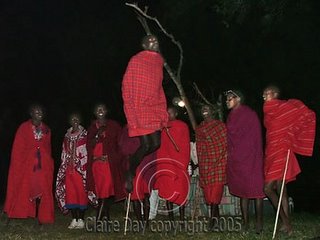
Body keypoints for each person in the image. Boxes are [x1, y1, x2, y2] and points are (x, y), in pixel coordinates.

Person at [262, 85, 316, 235]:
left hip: (282, 150)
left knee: (267, 188)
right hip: (271, 152)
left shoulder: (285, 107)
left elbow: (307, 114)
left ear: (275, 94)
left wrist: (291, 134)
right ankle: (286, 225)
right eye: (263, 93)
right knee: (281, 189)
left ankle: (287, 223)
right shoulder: (267, 113)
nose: (264, 95)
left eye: (267, 93)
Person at [122, 34, 168, 193]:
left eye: (156, 40)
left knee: (155, 144)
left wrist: (163, 113)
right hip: (139, 108)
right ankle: (130, 172)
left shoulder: (158, 63)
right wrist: (131, 115)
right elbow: (126, 87)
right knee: (147, 144)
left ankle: (130, 168)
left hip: (153, 109)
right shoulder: (136, 60)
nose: (153, 42)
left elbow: (159, 89)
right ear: (143, 45)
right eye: (149, 40)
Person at [4, 104, 54, 224]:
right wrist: (19, 165)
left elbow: (48, 148)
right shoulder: (24, 128)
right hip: (27, 165)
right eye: (36, 112)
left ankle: (43, 217)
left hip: (42, 166)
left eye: (41, 112)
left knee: (43, 188)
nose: (39, 114)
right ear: (31, 114)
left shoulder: (46, 129)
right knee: (23, 187)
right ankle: (14, 213)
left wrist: (48, 161)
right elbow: (18, 148)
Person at [225, 89, 265, 233]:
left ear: (238, 99)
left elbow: (256, 138)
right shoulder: (230, 117)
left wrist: (256, 156)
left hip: (252, 159)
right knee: (243, 192)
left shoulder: (250, 114)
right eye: (227, 99)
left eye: (230, 98)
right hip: (237, 160)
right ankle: (246, 223)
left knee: (257, 191)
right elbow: (230, 139)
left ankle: (259, 224)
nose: (227, 101)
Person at [86, 104, 126, 221]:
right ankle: (106, 219)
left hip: (108, 165)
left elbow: (120, 144)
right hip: (96, 165)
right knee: (101, 193)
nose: (100, 111)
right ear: (94, 112)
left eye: (102, 108)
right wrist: (98, 134)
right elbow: (89, 146)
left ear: (106, 110)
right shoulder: (93, 127)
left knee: (105, 192)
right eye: (97, 109)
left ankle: (98, 223)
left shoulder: (114, 126)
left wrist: (113, 158)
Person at [155, 106, 190, 221]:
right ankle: (171, 219)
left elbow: (185, 146)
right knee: (167, 191)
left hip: (178, 164)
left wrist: (184, 162)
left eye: (170, 113)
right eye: (166, 113)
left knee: (181, 191)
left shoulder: (182, 126)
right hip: (166, 164)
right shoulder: (162, 128)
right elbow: (160, 146)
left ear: (176, 113)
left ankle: (182, 219)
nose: (168, 115)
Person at [195, 105, 227, 227]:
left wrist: (220, 158)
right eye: (203, 109)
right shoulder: (200, 128)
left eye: (207, 108)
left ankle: (212, 222)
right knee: (209, 194)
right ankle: (217, 219)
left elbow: (225, 144)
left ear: (212, 111)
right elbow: (199, 147)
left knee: (216, 192)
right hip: (205, 164)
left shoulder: (220, 126)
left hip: (219, 162)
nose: (204, 110)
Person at [55, 113, 88, 229]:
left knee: (81, 194)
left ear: (80, 120)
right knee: (71, 194)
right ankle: (74, 219)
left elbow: (86, 151)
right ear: (70, 121)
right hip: (69, 170)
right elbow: (63, 152)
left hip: (80, 170)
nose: (75, 120)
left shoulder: (84, 135)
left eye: (77, 119)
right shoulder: (66, 136)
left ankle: (81, 220)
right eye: (72, 119)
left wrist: (80, 161)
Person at [118, 124, 156, 224]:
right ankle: (140, 222)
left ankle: (146, 221)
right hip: (133, 166)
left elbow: (151, 147)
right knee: (134, 196)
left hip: (145, 165)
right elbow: (123, 148)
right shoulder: (126, 130)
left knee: (146, 195)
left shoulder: (146, 127)